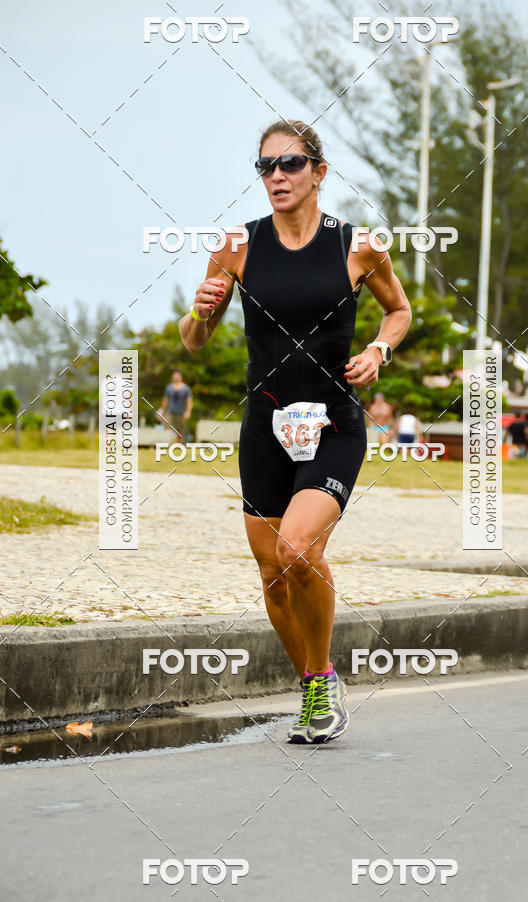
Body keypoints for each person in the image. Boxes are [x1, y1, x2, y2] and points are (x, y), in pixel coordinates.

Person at [179, 119, 411, 744]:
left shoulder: (358, 246)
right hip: (266, 425)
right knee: (273, 577)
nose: (276, 176)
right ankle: (313, 682)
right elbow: (196, 342)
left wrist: (378, 353)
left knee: (298, 549)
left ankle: (323, 677)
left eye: (290, 164)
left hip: (334, 421)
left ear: (319, 172)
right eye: (265, 167)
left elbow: (399, 310)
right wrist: (197, 314)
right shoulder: (237, 245)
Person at [158, 370, 193, 444]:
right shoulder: (169, 388)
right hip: (170, 412)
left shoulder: (186, 388)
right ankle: (166, 445)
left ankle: (179, 447)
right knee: (167, 428)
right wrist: (162, 411)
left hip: (181, 413)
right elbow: (165, 400)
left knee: (180, 432)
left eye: (177, 375)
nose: (176, 377)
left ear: (181, 377)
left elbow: (189, 401)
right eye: (175, 375)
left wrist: (188, 412)